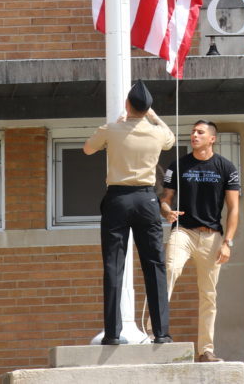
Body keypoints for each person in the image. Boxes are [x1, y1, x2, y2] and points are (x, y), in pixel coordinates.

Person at [83, 80, 175, 345]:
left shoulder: (112, 130)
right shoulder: (156, 133)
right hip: (147, 200)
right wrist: (154, 116)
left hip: (118, 199)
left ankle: (112, 333)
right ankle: (162, 333)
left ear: (127, 104)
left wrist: (118, 123)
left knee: (114, 265)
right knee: (155, 265)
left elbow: (88, 148)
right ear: (147, 108)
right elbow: (168, 138)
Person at [158, 120, 240, 362]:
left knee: (208, 294)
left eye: (200, 132)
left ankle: (205, 350)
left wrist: (228, 242)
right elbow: (165, 198)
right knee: (168, 272)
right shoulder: (178, 164)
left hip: (212, 236)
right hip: (182, 231)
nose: (194, 135)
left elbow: (234, 208)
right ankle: (155, 334)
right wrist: (166, 211)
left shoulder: (226, 167)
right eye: (193, 131)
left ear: (212, 138)